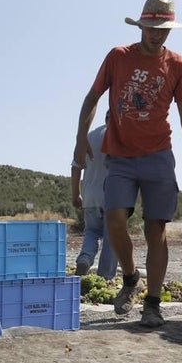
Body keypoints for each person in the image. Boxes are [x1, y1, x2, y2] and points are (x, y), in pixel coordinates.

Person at [73, 0, 182, 328]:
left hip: (158, 156)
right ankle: (130, 277)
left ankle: (152, 303)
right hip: (121, 155)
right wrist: (80, 137)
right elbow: (92, 97)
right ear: (141, 26)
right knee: (114, 220)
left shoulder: (179, 65)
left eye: (163, 28)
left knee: (156, 230)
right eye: (151, 27)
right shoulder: (119, 56)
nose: (156, 33)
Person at [71, 114, 119, 278]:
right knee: (112, 238)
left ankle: (84, 259)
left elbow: (76, 167)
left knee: (91, 232)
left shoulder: (89, 137)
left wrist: (76, 194)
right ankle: (105, 277)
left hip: (90, 196)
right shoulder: (121, 135)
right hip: (113, 197)